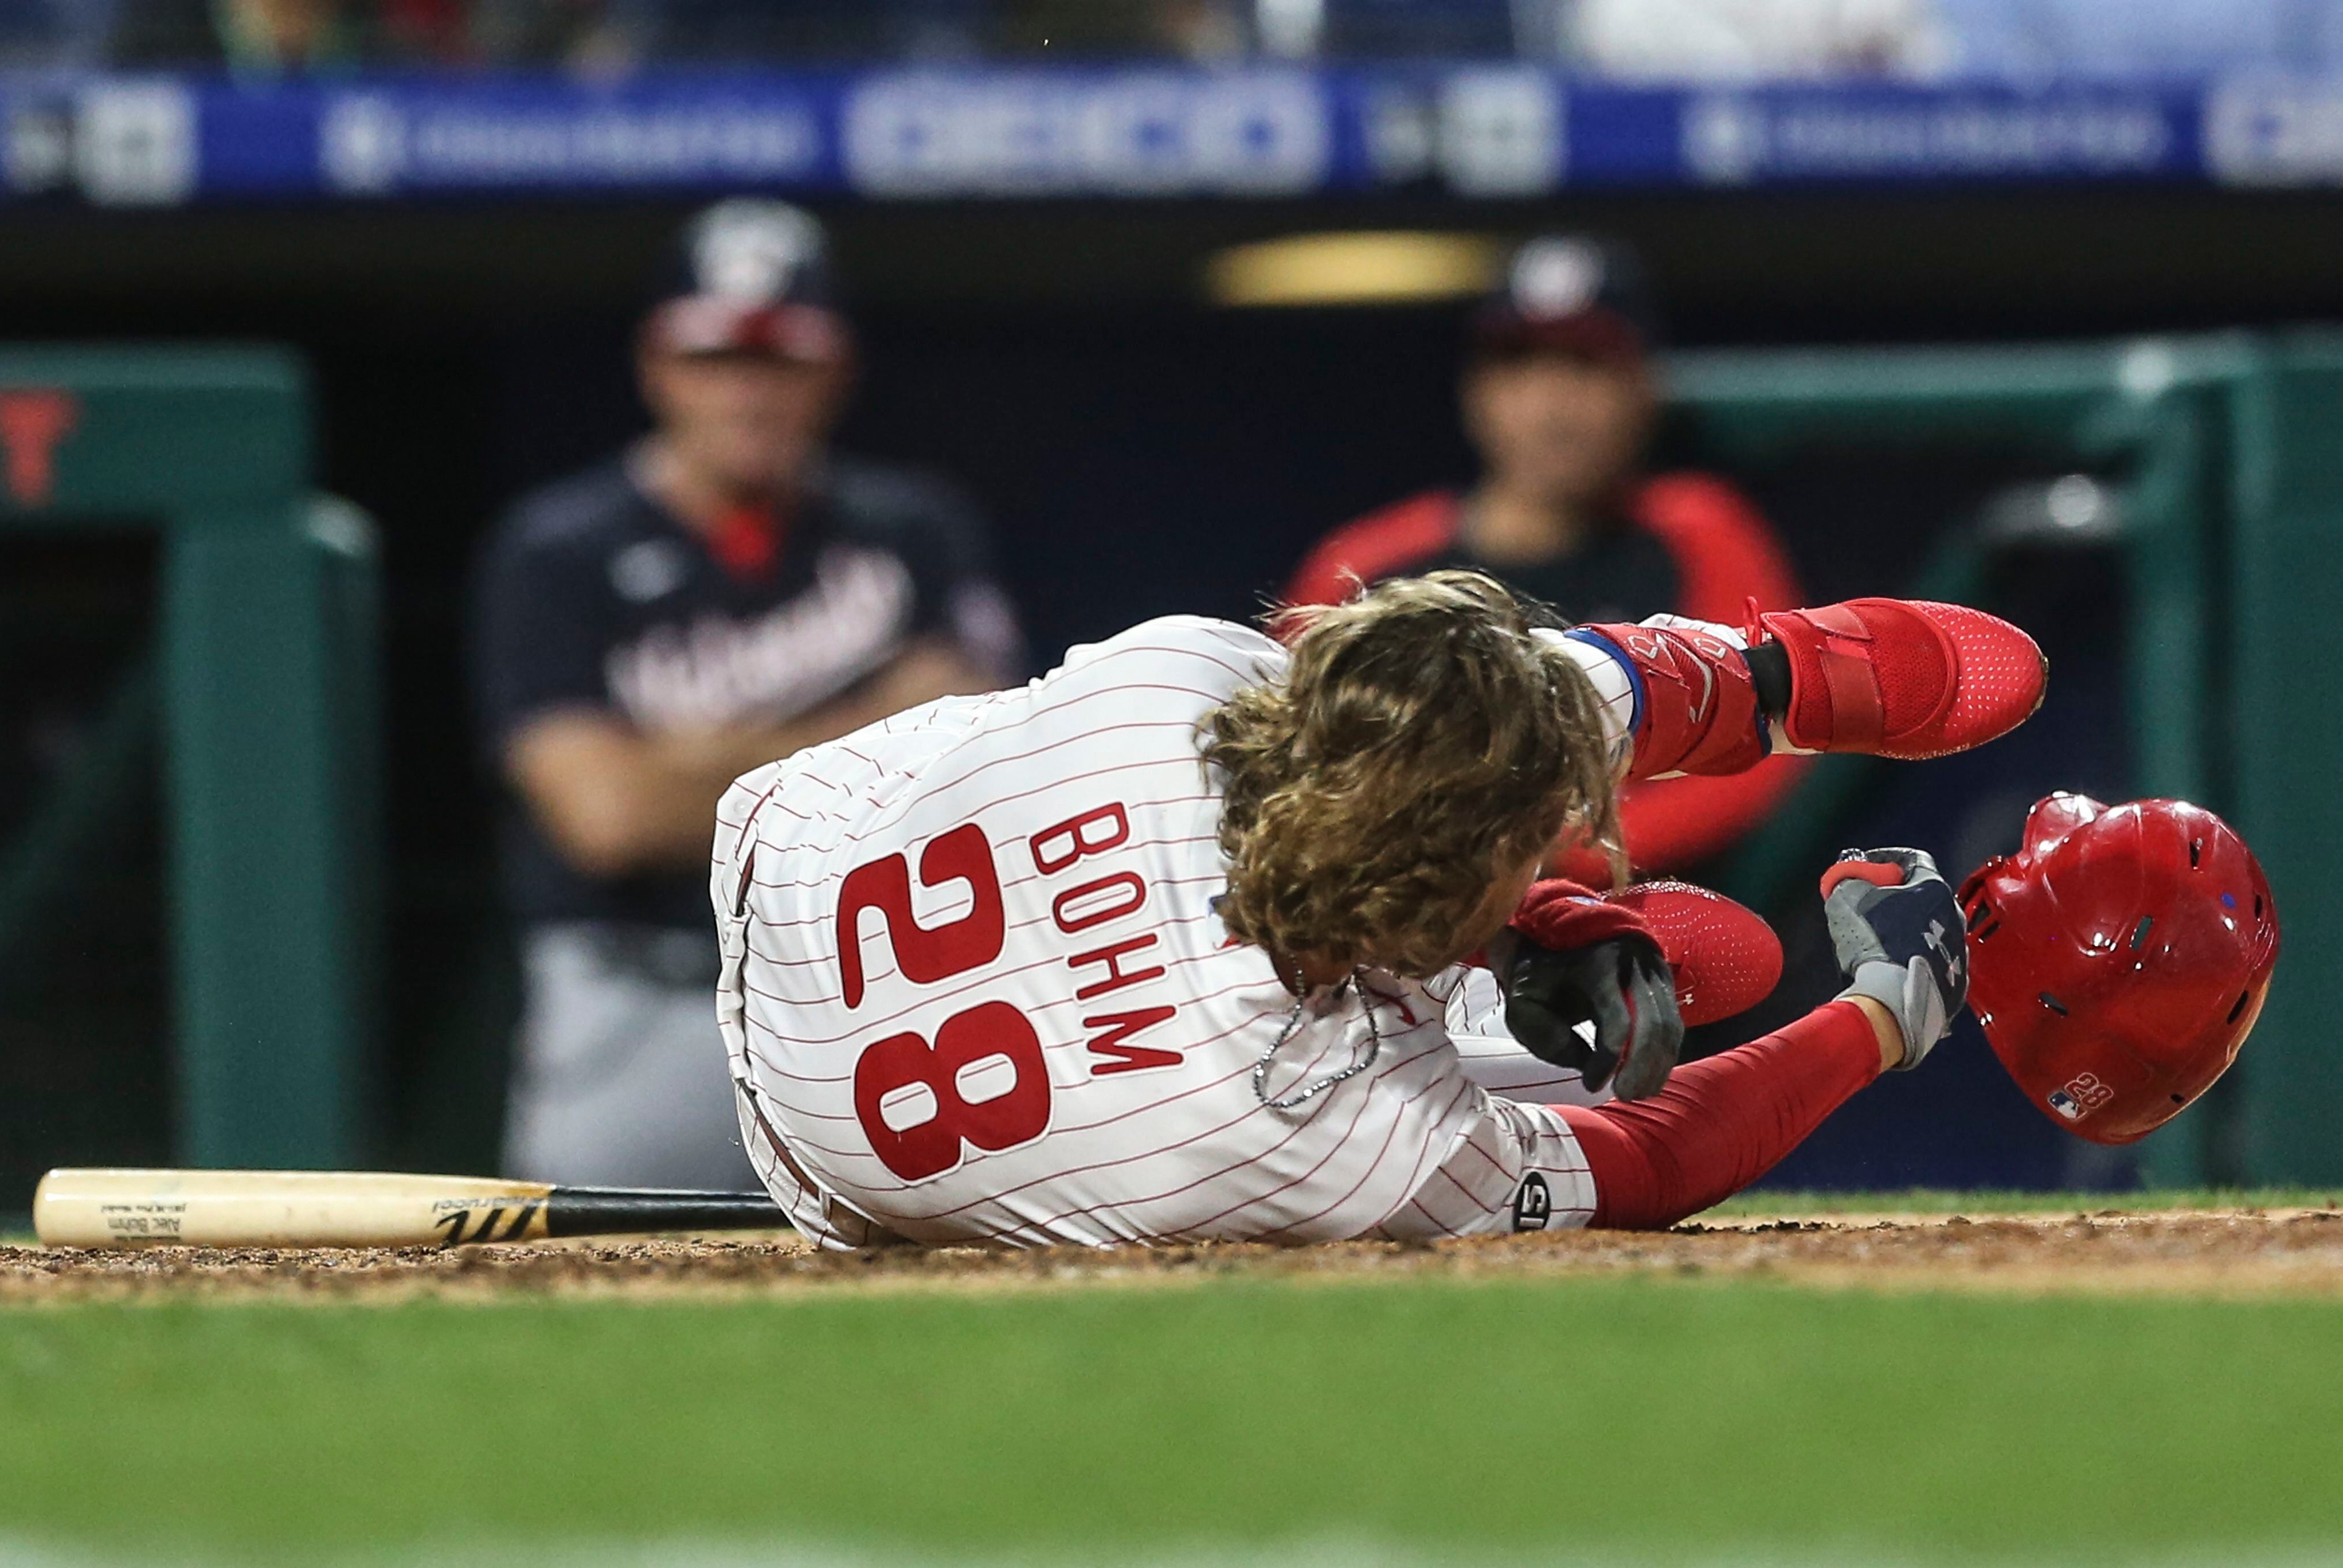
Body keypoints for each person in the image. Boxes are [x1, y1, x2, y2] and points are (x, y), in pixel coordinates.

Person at [711, 574, 2046, 1248]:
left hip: (794, 847)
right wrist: (1886, 1012)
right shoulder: (1344, 1123)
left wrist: (1520, 907)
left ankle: (1773, 677)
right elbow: (1648, 1162)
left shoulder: (1182, 675)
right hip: (841, 1167)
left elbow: (1384, 738)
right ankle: (1537, 922)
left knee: (1438, 724)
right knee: (1664, 995)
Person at [475, 198, 1020, 1189]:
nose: (748, 394)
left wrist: (688, 762)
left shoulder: (912, 530)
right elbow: (608, 818)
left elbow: (975, 785)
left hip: (893, 1011)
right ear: (657, 367)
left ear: (834, 371)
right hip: (644, 1000)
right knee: (595, 1319)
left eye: (780, 361)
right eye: (717, 358)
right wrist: (876, 731)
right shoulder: (560, 550)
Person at [1284, 235, 1806, 879]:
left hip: (1651, 930)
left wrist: (1534, 853)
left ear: (1640, 385)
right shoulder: (1369, 564)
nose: (1550, 406)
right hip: (1416, 945)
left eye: (1585, 365)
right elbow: (1292, 781)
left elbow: (1774, 743)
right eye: (1518, 363)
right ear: (1476, 390)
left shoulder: (1696, 530)